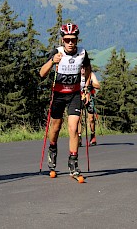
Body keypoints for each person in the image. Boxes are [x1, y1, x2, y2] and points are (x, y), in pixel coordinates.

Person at [39, 23, 91, 177]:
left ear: (77, 39)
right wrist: (52, 61)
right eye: (67, 39)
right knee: (55, 127)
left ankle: (73, 161)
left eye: (73, 40)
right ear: (62, 39)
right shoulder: (57, 52)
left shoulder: (82, 53)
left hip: (75, 94)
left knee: (74, 128)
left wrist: (86, 89)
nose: (70, 42)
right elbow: (42, 73)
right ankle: (52, 148)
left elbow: (88, 69)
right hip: (59, 95)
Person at [78, 67, 100, 147]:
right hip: (79, 96)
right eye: (81, 68)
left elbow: (98, 85)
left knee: (91, 118)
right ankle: (79, 137)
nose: (83, 70)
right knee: (78, 118)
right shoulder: (77, 75)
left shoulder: (91, 75)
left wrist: (91, 84)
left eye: (84, 68)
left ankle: (93, 135)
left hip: (90, 96)